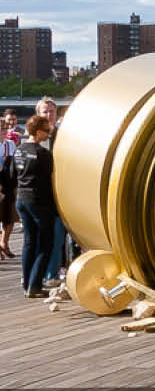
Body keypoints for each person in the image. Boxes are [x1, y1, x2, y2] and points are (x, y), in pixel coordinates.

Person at [15, 114, 56, 296]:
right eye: (47, 131)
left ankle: (26, 283)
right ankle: (35, 285)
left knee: (28, 242)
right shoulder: (42, 154)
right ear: (38, 132)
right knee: (45, 244)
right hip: (38, 201)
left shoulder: (19, 149)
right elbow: (49, 180)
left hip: (21, 198)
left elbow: (11, 174)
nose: (48, 134)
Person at [35, 96, 67, 282]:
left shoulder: (64, 135)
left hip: (61, 192)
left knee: (58, 233)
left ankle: (53, 272)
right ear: (38, 114)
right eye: (45, 111)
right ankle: (38, 273)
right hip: (41, 193)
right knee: (40, 235)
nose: (49, 115)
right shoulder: (34, 139)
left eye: (52, 111)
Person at [0, 121, 15, 260]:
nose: (4, 131)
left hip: (8, 183)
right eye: (1, 129)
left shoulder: (10, 144)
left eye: (5, 128)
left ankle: (4, 243)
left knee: (9, 217)